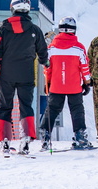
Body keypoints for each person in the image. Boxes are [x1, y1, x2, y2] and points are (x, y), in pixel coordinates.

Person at [0, 0, 49, 155]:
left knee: (4, 106)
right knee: (26, 106)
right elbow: (43, 51)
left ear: (13, 8)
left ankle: (5, 141)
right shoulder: (35, 30)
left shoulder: (3, 29)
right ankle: (26, 138)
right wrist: (46, 62)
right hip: (27, 74)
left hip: (6, 74)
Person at [39, 16, 94, 151]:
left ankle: (45, 136)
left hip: (56, 85)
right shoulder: (79, 48)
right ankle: (80, 137)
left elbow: (47, 68)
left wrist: (49, 82)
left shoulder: (52, 48)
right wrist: (87, 83)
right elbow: (85, 67)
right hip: (74, 86)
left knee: (52, 109)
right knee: (77, 110)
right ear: (73, 30)